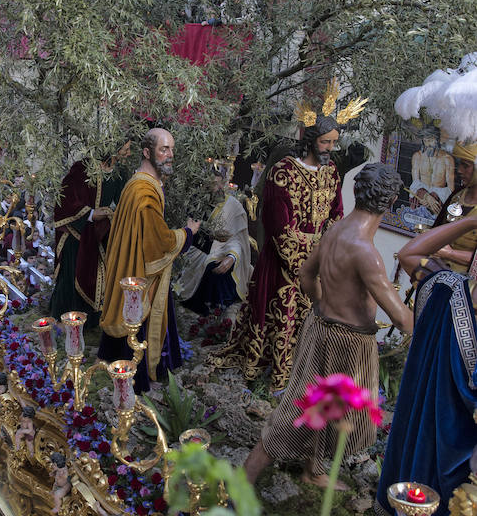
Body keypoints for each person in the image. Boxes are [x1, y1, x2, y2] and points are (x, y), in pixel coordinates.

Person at [244, 164, 413, 488]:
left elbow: (307, 275)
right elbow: (401, 318)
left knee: (321, 410)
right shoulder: (367, 252)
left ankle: (314, 470)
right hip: (347, 343)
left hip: (320, 328)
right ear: (391, 200)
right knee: (298, 413)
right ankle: (243, 479)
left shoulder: (336, 229)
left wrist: (325, 305)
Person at [211, 116, 343, 391]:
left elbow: (336, 216)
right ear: (310, 140)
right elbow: (279, 228)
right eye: (325, 141)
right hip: (282, 266)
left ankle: (304, 376)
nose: (330, 148)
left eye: (333, 142)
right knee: (281, 318)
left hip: (317, 265)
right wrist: (312, 255)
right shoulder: (283, 173)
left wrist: (325, 252)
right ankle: (272, 373)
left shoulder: (332, 174)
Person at [374, 214, 477, 516]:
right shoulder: (446, 289)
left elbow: (410, 254)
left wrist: (471, 223)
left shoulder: (445, 289)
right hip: (464, 479)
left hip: (419, 462)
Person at [98, 128, 200, 392]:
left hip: (130, 264)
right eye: (164, 149)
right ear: (147, 152)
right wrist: (187, 233)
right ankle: (138, 374)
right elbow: (158, 243)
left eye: (172, 150)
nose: (170, 155)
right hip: (138, 272)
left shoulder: (140, 184)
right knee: (140, 314)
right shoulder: (143, 191)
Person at [49, 144, 129, 323]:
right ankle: (65, 321)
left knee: (100, 273)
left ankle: (92, 320)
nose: (129, 153)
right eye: (126, 148)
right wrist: (91, 214)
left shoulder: (120, 173)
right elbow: (66, 199)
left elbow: (124, 199)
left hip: (100, 232)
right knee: (72, 275)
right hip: (76, 231)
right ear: (114, 147)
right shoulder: (83, 168)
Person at [176, 169, 252, 316]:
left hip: (224, 253)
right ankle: (200, 312)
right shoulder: (196, 201)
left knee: (219, 269)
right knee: (208, 267)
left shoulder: (233, 206)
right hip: (194, 253)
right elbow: (188, 230)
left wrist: (232, 257)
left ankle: (217, 313)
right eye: (209, 184)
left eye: (217, 184)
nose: (213, 188)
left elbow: (237, 240)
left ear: (223, 184)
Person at [431, 141, 477, 273]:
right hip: (438, 271)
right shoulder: (457, 195)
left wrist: (450, 254)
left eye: (465, 166)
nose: (460, 170)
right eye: (460, 164)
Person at [409, 125, 456, 216]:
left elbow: (451, 189)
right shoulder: (417, 157)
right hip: (420, 199)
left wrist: (435, 198)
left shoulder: (447, 159)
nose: (428, 144)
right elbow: (415, 183)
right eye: (425, 141)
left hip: (439, 201)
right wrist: (424, 196)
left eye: (430, 140)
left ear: (437, 140)